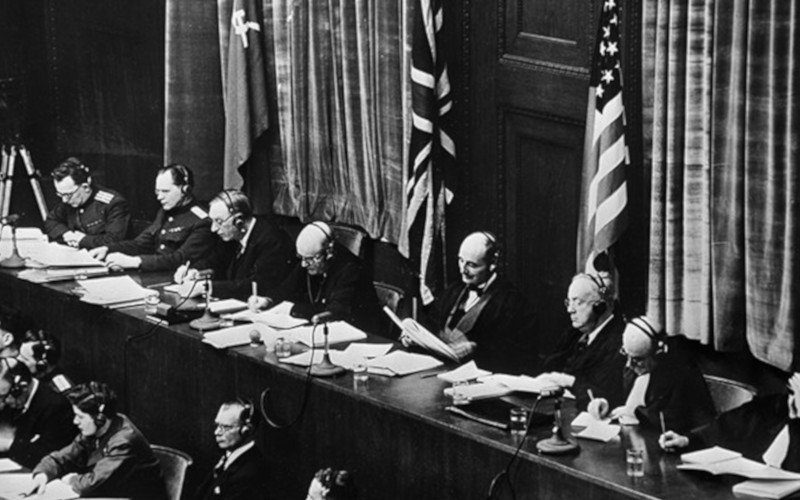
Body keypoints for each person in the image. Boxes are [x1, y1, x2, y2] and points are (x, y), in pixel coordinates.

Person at [403, 231, 538, 373]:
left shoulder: (514, 303)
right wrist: (414, 339)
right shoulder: (453, 290)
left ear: (492, 264)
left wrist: (476, 350)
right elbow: (432, 326)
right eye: (461, 261)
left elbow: (518, 357)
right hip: (441, 372)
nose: (463, 270)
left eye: (471, 265)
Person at [29, 382, 167, 499]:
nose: (75, 421)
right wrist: (42, 475)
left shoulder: (124, 441)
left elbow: (91, 484)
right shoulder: (96, 430)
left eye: (80, 417)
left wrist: (70, 479)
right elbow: (61, 458)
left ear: (99, 419)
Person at [587, 315, 716, 433]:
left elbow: (674, 421)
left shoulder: (680, 373)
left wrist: (634, 412)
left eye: (637, 360)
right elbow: (619, 394)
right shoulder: (633, 365)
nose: (629, 364)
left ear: (657, 354)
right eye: (626, 355)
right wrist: (605, 404)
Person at [249, 222, 382, 334]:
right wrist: (268, 300)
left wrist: (292, 309)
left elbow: (334, 312)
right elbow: (287, 288)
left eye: (309, 259)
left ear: (329, 253)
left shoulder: (350, 268)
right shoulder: (311, 258)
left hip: (360, 336)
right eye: (301, 258)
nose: (303, 264)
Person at [660, 372, 800, 472]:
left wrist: (797, 421)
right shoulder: (778, 405)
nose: (792, 399)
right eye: (792, 392)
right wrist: (688, 440)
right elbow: (730, 425)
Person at [89, 164, 215, 272]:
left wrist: (135, 262)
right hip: (155, 273)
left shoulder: (202, 221)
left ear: (185, 190)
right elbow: (141, 244)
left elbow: (179, 259)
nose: (159, 197)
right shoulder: (165, 212)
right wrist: (107, 249)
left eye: (165, 191)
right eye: (157, 192)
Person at [174, 189, 294, 300]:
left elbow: (258, 285)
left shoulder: (272, 239)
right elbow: (216, 261)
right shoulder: (232, 235)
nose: (213, 229)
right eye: (212, 221)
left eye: (219, 221)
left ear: (239, 221)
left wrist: (207, 287)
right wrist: (195, 271)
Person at [538, 272, 626, 410]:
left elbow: (604, 395)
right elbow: (550, 365)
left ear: (599, 307)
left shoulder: (618, 341)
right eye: (569, 302)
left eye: (577, 302)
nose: (570, 310)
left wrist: (569, 381)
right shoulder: (576, 333)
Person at [0, 358, 74, 469]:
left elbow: (48, 457)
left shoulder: (56, 406)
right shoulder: (14, 399)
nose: (1, 403)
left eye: (2, 397)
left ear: (21, 388)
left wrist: (8, 444)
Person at [43, 157, 130, 249]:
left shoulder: (114, 203)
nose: (64, 200)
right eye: (60, 194)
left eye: (68, 195)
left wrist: (82, 240)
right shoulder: (70, 200)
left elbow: (114, 240)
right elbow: (51, 220)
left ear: (85, 187)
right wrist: (66, 233)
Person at [195, 399, 268, 500]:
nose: (217, 432)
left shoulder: (249, 473)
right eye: (217, 425)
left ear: (246, 430)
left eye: (226, 427)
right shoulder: (227, 461)